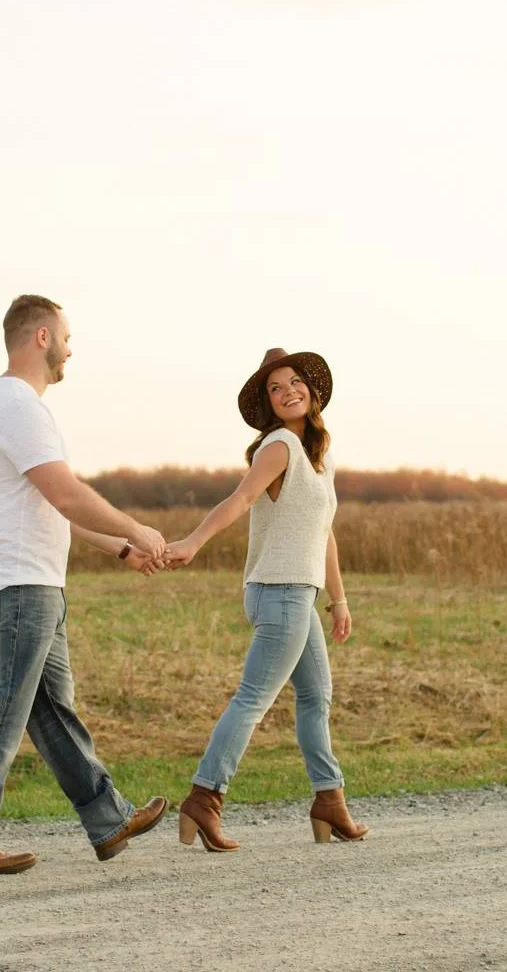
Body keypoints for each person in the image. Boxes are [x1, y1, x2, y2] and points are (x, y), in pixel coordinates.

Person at [0, 294, 170, 874]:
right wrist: (136, 526)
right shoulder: (16, 403)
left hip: (33, 583)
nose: (70, 348)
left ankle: (107, 819)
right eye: (65, 336)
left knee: (49, 712)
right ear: (41, 337)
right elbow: (66, 492)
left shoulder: (15, 405)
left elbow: (51, 507)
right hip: (17, 587)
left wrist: (118, 547)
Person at [164, 347, 367, 851]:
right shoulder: (277, 447)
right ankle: (204, 798)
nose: (287, 391)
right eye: (275, 388)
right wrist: (192, 541)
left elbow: (325, 532)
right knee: (253, 699)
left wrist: (338, 600)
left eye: (294, 382)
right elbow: (240, 500)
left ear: (312, 390)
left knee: (316, 697)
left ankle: (329, 801)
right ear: (269, 404)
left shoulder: (318, 456)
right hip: (279, 593)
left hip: (300, 593)